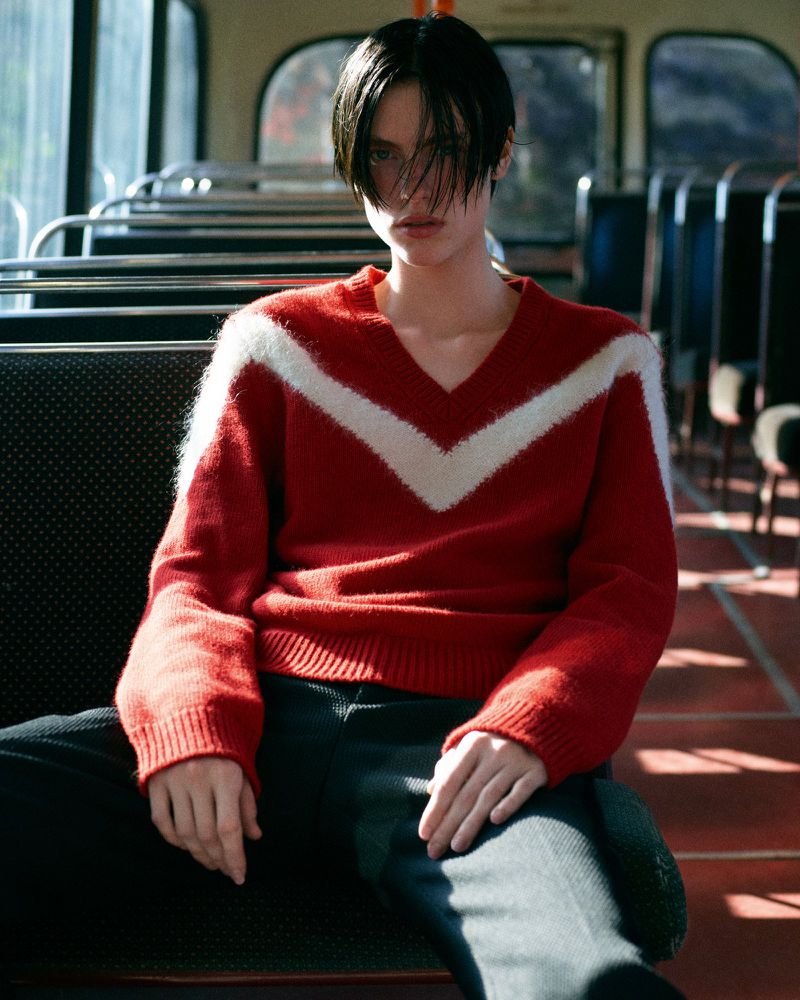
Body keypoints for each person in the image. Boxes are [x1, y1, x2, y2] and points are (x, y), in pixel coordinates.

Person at [1, 13, 686, 999]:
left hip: (461, 752)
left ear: (500, 152)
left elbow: (626, 594)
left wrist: (531, 724)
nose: (410, 192)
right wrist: (192, 723)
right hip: (260, 714)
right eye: (382, 158)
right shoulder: (273, 342)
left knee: (580, 979)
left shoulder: (605, 361)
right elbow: (195, 578)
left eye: (442, 153)